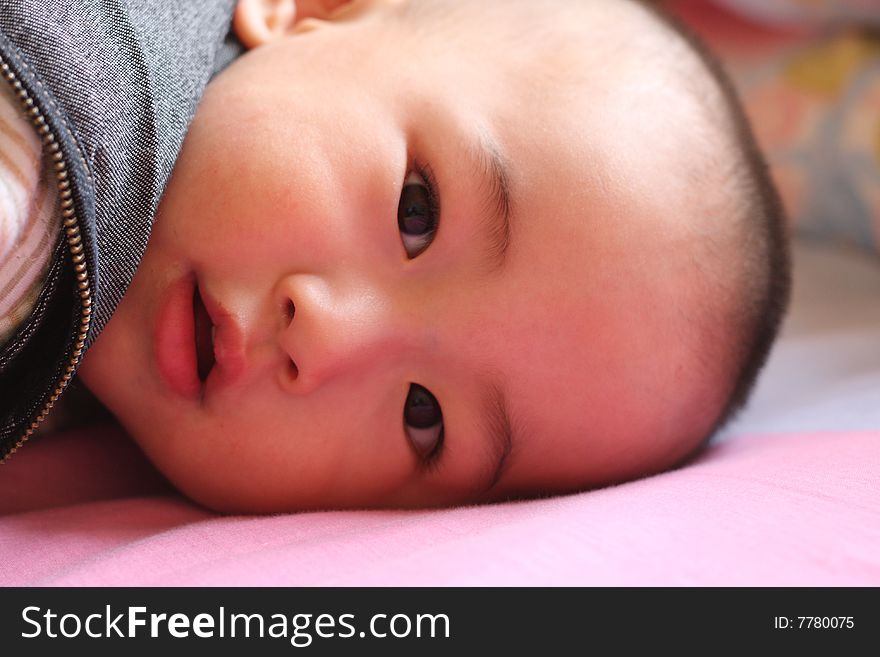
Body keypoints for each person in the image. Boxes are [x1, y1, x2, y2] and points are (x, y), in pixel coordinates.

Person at [2, 0, 791, 513]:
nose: (329, 338)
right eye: (418, 211)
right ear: (312, 10)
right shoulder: (90, 76)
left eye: (426, 415)